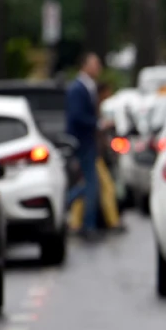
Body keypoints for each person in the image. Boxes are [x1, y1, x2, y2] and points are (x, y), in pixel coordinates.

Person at [66, 52, 103, 241]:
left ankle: (86, 222)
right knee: (91, 184)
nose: (98, 67)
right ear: (85, 65)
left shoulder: (88, 86)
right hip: (82, 142)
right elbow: (76, 116)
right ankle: (87, 224)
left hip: (88, 142)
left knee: (90, 184)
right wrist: (97, 123)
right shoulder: (77, 88)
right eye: (95, 64)